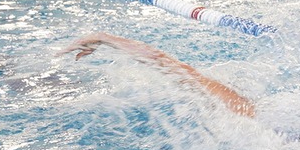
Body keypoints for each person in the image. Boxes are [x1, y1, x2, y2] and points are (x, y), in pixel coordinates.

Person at [65, 34, 254, 117]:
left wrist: (105, 39)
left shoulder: (242, 112)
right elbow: (164, 63)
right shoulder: (242, 110)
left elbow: (164, 63)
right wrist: (106, 39)